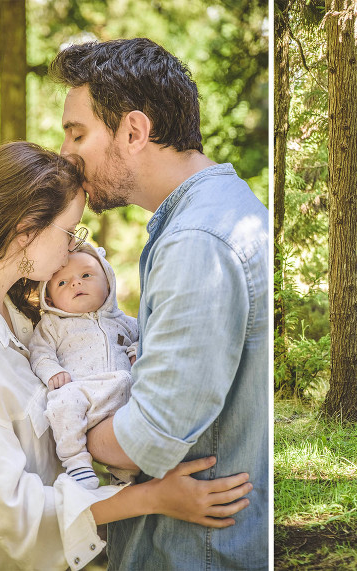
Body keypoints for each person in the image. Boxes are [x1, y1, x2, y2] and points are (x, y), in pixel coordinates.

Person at [0, 142, 253, 571]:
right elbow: (12, 513)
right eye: (70, 232)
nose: (74, 251)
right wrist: (150, 498)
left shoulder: (12, 309)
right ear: (26, 229)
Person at [51, 37, 269, 570]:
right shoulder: (207, 214)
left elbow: (145, 438)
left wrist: (70, 421)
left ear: (133, 131)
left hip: (195, 552)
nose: (65, 154)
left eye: (77, 134)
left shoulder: (197, 240)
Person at [29, 243, 140, 490]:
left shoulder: (125, 322)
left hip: (125, 390)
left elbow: (145, 341)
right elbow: (40, 353)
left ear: (108, 282)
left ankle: (125, 476)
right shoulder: (53, 325)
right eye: (62, 283)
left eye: (86, 275)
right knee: (61, 401)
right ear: (49, 298)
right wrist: (53, 372)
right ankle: (77, 463)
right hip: (84, 394)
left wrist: (136, 351)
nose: (76, 284)